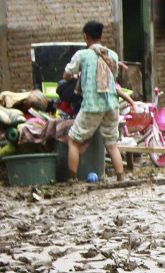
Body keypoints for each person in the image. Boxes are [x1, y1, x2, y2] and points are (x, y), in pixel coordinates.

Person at [63, 20, 125, 182]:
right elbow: (114, 76)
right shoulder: (112, 55)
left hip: (92, 105)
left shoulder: (82, 55)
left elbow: (66, 74)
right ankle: (120, 177)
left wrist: (73, 76)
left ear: (85, 36)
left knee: (73, 140)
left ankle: (72, 178)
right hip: (112, 105)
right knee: (111, 144)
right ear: (101, 36)